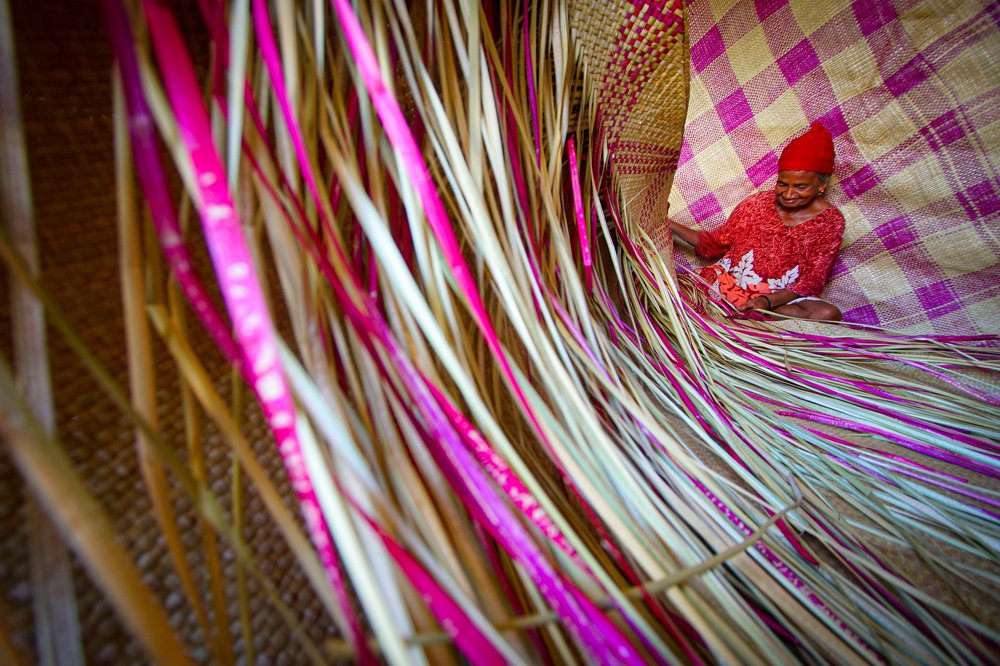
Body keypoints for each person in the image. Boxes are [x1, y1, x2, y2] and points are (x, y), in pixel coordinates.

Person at [670, 122, 845, 321]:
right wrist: (670, 224)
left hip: (779, 299)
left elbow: (812, 281)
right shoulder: (758, 203)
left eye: (800, 187)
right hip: (728, 282)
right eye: (782, 184)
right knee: (666, 287)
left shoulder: (831, 222)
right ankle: (736, 305)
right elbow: (715, 244)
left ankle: (747, 309)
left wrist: (767, 302)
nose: (788, 194)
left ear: (822, 185)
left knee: (828, 314)